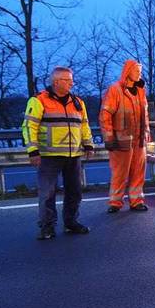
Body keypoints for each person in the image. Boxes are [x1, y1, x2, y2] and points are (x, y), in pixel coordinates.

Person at [22, 66, 94, 240]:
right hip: (49, 155)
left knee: (74, 192)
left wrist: (89, 144)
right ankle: (47, 227)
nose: (72, 83)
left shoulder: (78, 102)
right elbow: (29, 126)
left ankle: (71, 223)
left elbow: (84, 125)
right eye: (67, 80)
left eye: (71, 80)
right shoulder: (39, 100)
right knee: (47, 193)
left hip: (73, 155)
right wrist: (33, 150)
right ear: (56, 82)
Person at [100, 59, 151, 212]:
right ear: (128, 71)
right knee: (120, 172)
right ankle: (115, 202)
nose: (139, 74)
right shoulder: (115, 90)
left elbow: (145, 114)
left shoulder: (141, 90)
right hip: (121, 140)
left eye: (140, 72)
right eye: (137, 71)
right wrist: (108, 137)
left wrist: (147, 131)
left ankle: (136, 200)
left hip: (139, 139)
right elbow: (105, 114)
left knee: (138, 171)